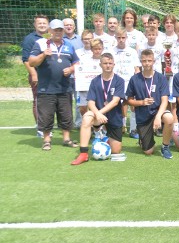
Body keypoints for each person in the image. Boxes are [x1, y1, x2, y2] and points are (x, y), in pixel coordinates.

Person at [28, 19, 80, 150]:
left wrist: (71, 69)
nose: (58, 32)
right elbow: (32, 62)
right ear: (49, 31)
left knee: (66, 115)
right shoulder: (41, 44)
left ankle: (66, 139)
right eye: (55, 29)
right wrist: (43, 55)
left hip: (65, 87)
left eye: (60, 30)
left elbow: (76, 63)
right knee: (46, 115)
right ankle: (46, 140)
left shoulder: (68, 45)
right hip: (46, 88)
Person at [70, 53, 125, 165]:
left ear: (114, 64)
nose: (108, 65)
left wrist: (100, 113)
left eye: (110, 63)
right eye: (105, 63)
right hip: (97, 116)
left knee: (116, 151)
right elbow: (90, 101)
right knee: (86, 118)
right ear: (100, 65)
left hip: (113, 116)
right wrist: (97, 114)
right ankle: (83, 154)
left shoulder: (119, 80)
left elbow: (115, 102)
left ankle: (106, 140)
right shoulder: (95, 81)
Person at [126, 49, 174, 159]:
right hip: (143, 117)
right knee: (148, 151)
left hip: (158, 112)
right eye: (144, 61)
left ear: (154, 61)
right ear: (140, 62)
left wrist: (158, 117)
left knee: (169, 118)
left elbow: (165, 100)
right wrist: (141, 102)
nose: (147, 63)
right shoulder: (134, 79)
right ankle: (143, 140)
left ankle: (165, 147)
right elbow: (129, 100)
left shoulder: (161, 78)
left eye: (149, 61)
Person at [22, 14, 49, 135]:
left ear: (48, 24)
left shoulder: (51, 37)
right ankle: (40, 128)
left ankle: (47, 125)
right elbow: (26, 59)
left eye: (44, 23)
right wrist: (33, 74)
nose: (42, 25)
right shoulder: (30, 39)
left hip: (51, 75)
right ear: (35, 25)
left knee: (50, 100)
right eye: (40, 23)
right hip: (38, 74)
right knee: (38, 100)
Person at [113, 27, 141, 138]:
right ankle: (122, 127)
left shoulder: (132, 51)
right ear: (115, 37)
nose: (121, 40)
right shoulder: (111, 51)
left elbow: (137, 69)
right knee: (119, 104)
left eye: (123, 37)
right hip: (116, 83)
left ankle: (133, 129)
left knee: (133, 105)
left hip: (130, 82)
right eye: (118, 37)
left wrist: (137, 82)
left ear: (126, 38)